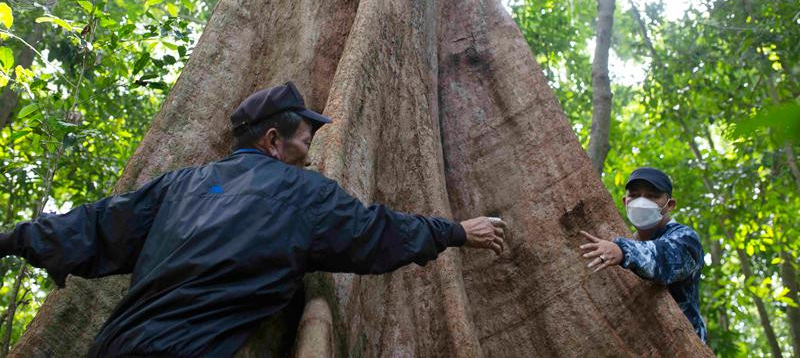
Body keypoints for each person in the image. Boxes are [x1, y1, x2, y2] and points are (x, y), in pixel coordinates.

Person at [0, 81, 506, 357]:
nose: (309, 155)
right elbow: (376, 232)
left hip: (114, 345)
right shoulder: (304, 194)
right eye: (305, 142)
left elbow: (89, 226)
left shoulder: (180, 185)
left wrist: (8, 240)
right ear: (273, 141)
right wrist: (457, 231)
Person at [578, 167, 707, 342]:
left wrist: (622, 251)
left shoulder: (686, 238)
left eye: (652, 196)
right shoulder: (626, 240)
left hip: (681, 342)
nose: (641, 202)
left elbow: (663, 258)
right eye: (635, 195)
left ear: (670, 205)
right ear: (625, 201)